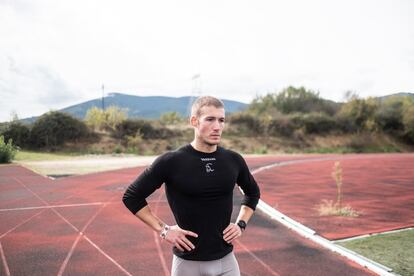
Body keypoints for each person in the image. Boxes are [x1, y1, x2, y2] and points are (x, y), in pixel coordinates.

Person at [122, 96, 261, 276]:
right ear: (194, 121)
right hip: (187, 265)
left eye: (221, 120)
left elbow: (253, 193)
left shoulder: (233, 160)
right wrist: (164, 230)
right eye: (210, 119)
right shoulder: (172, 161)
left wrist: (240, 224)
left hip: (226, 262)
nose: (217, 126)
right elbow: (132, 196)